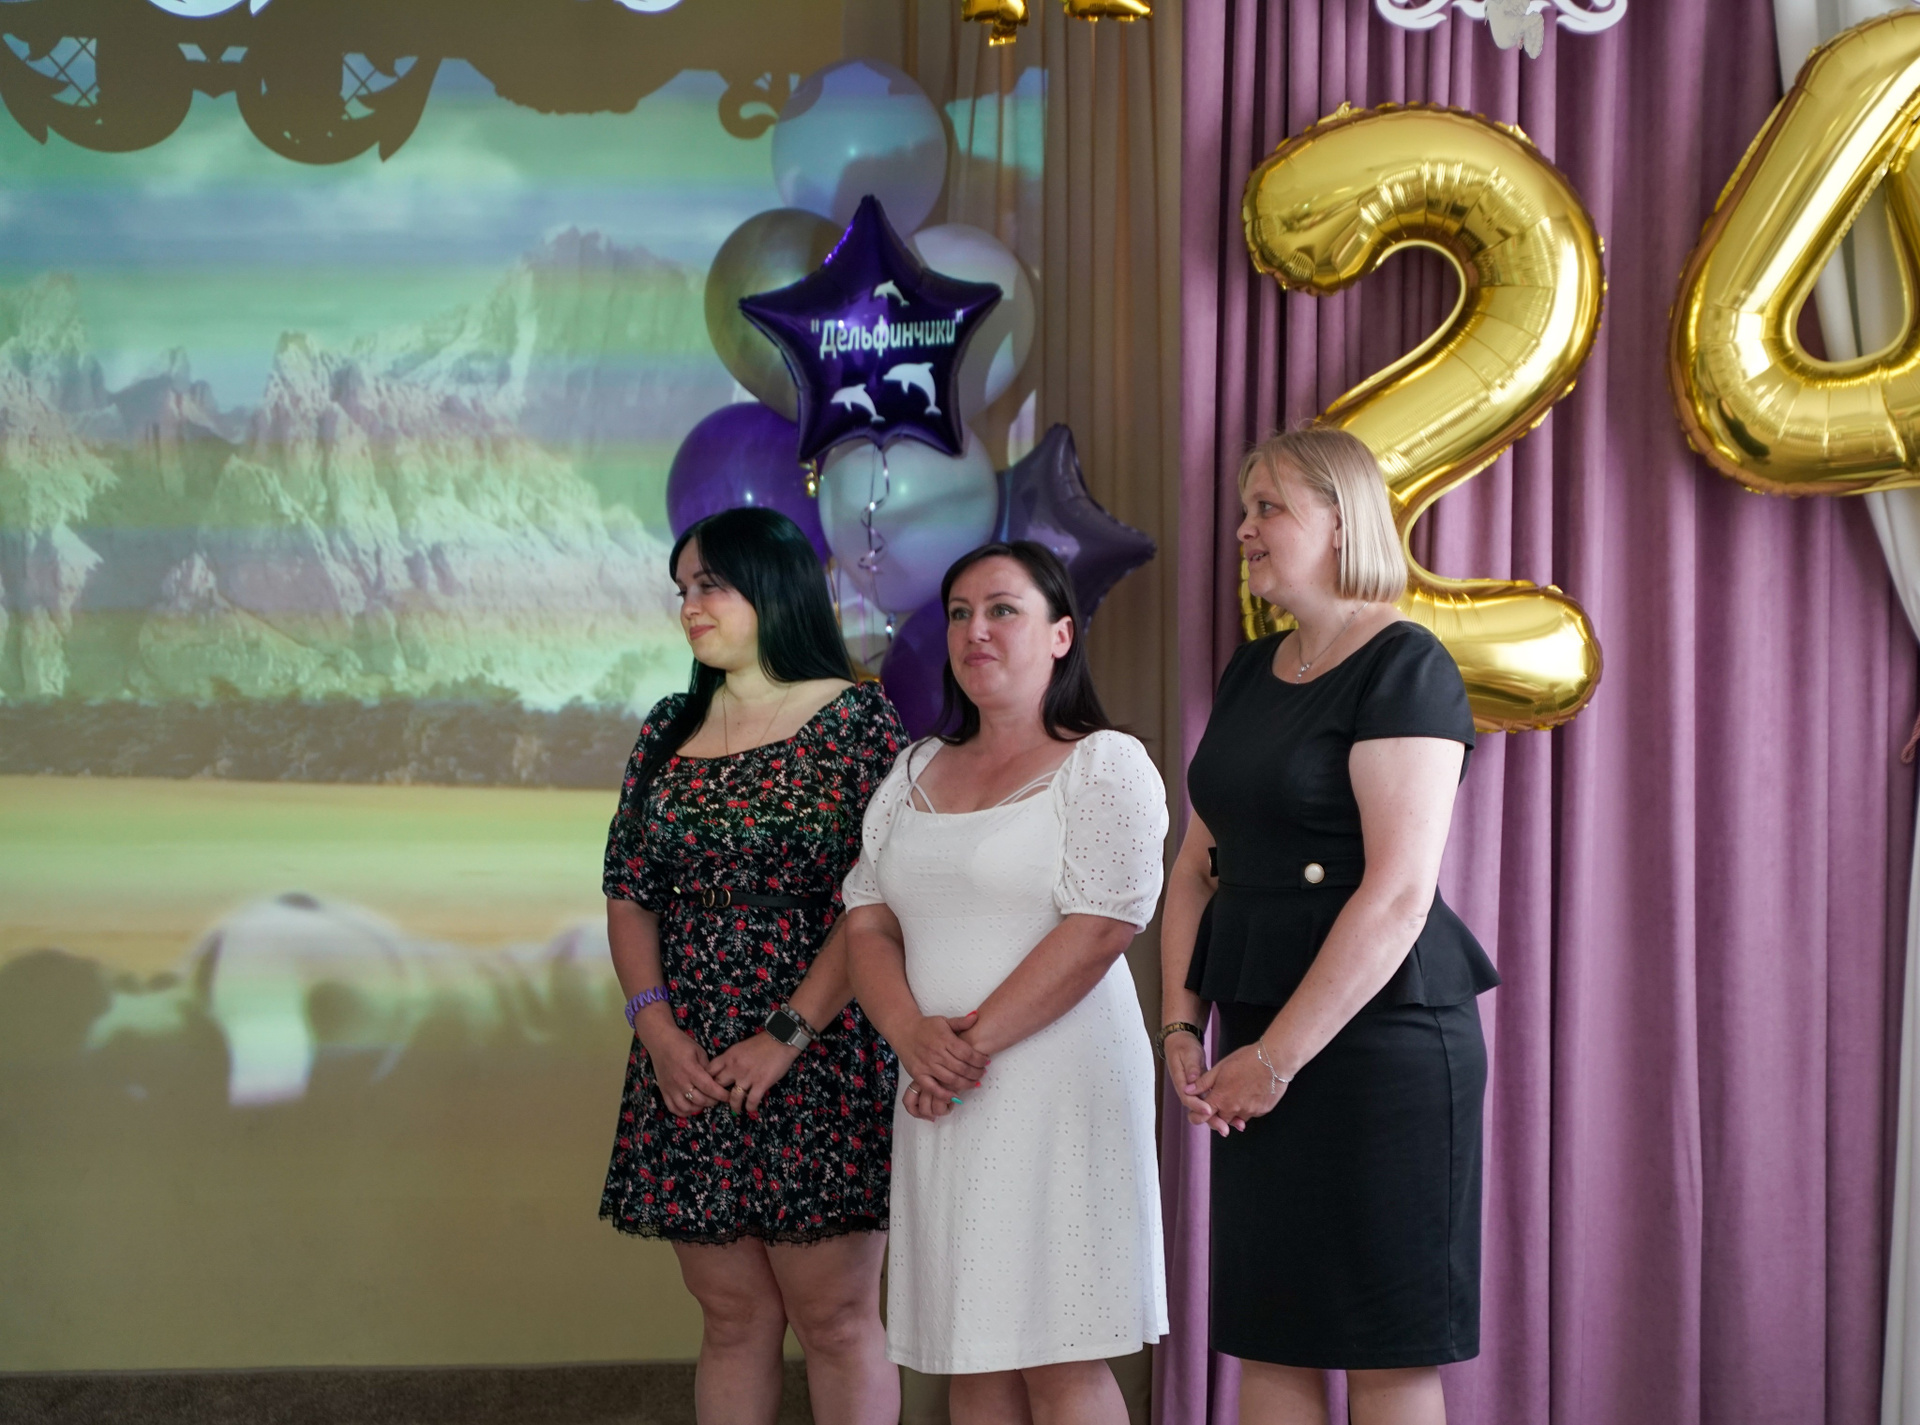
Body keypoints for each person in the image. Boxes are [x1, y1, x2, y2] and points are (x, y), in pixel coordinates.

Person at [1159, 429, 1500, 1425]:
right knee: (1275, 1334)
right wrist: (1180, 1024)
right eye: (1245, 509)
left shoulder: (1406, 663)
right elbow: (1198, 864)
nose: (1243, 529)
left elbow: (1398, 895)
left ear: (1344, 523)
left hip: (1377, 1048)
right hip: (1255, 1045)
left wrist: (1275, 1060)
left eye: (1268, 508)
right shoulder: (1250, 671)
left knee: (1385, 1353)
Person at [842, 540, 1168, 1425]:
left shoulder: (1105, 763)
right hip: (940, 1089)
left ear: (1061, 634)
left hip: (1055, 1087)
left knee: (1060, 1359)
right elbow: (867, 920)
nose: (975, 630)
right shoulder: (911, 770)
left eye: (1002, 610)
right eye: (959, 613)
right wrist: (913, 1036)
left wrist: (961, 1049)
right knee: (972, 1359)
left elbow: (1101, 927)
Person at [599, 506, 905, 1425]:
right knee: (731, 1317)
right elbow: (628, 892)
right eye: (681, 589)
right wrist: (658, 1033)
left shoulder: (857, 719)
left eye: (711, 585)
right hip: (687, 1061)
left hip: (821, 1052)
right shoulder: (667, 727)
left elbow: (875, 899)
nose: (689, 605)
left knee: (836, 1319)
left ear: (774, 588)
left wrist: (786, 1034)